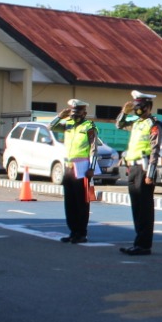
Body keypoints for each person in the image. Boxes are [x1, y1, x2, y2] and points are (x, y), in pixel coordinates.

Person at [117, 90, 162, 255]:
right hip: (133, 167)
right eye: (136, 106)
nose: (137, 109)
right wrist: (125, 112)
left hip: (145, 169)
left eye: (140, 106)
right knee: (136, 207)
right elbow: (119, 125)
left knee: (144, 208)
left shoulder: (154, 124)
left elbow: (155, 150)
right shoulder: (136, 123)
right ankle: (138, 242)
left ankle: (144, 245)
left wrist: (151, 173)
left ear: (148, 107)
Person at [48, 99, 98, 244]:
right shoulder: (68, 125)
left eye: (78, 112)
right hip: (69, 168)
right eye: (73, 112)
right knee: (70, 203)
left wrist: (92, 168)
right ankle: (73, 232)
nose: (75, 115)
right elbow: (51, 127)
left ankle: (81, 233)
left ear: (84, 113)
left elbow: (94, 149)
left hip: (83, 168)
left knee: (82, 202)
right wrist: (60, 116)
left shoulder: (89, 126)